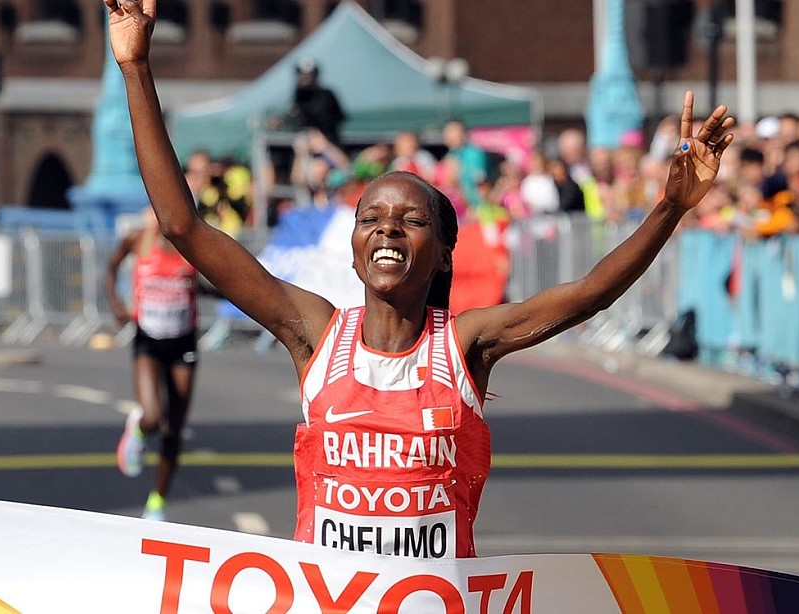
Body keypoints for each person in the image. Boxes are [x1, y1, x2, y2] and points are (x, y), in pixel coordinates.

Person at [105, 0, 734, 556]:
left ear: (443, 255)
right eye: (371, 219)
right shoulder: (315, 334)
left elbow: (589, 293)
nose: (387, 230)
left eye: (411, 221)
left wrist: (669, 208)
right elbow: (183, 227)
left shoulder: (465, 345)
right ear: (354, 251)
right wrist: (135, 67)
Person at [105, 206, 200, 522]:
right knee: (153, 415)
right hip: (148, 340)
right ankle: (140, 428)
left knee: (174, 428)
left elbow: (219, 282)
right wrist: (117, 306)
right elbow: (110, 268)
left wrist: (199, 287)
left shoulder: (194, 244)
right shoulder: (139, 238)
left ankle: (157, 502)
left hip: (183, 343)